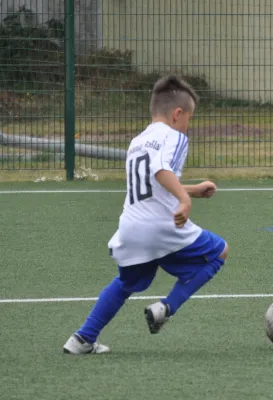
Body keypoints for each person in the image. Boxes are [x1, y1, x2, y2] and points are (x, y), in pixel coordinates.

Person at [63, 75, 229, 354]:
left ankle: (82, 339)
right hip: (161, 227)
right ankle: (166, 307)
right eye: (189, 118)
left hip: (131, 227)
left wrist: (192, 190)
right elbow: (161, 171)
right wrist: (184, 198)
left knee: (125, 283)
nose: (188, 125)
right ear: (178, 114)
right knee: (219, 252)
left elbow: (152, 183)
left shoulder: (138, 141)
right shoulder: (175, 136)